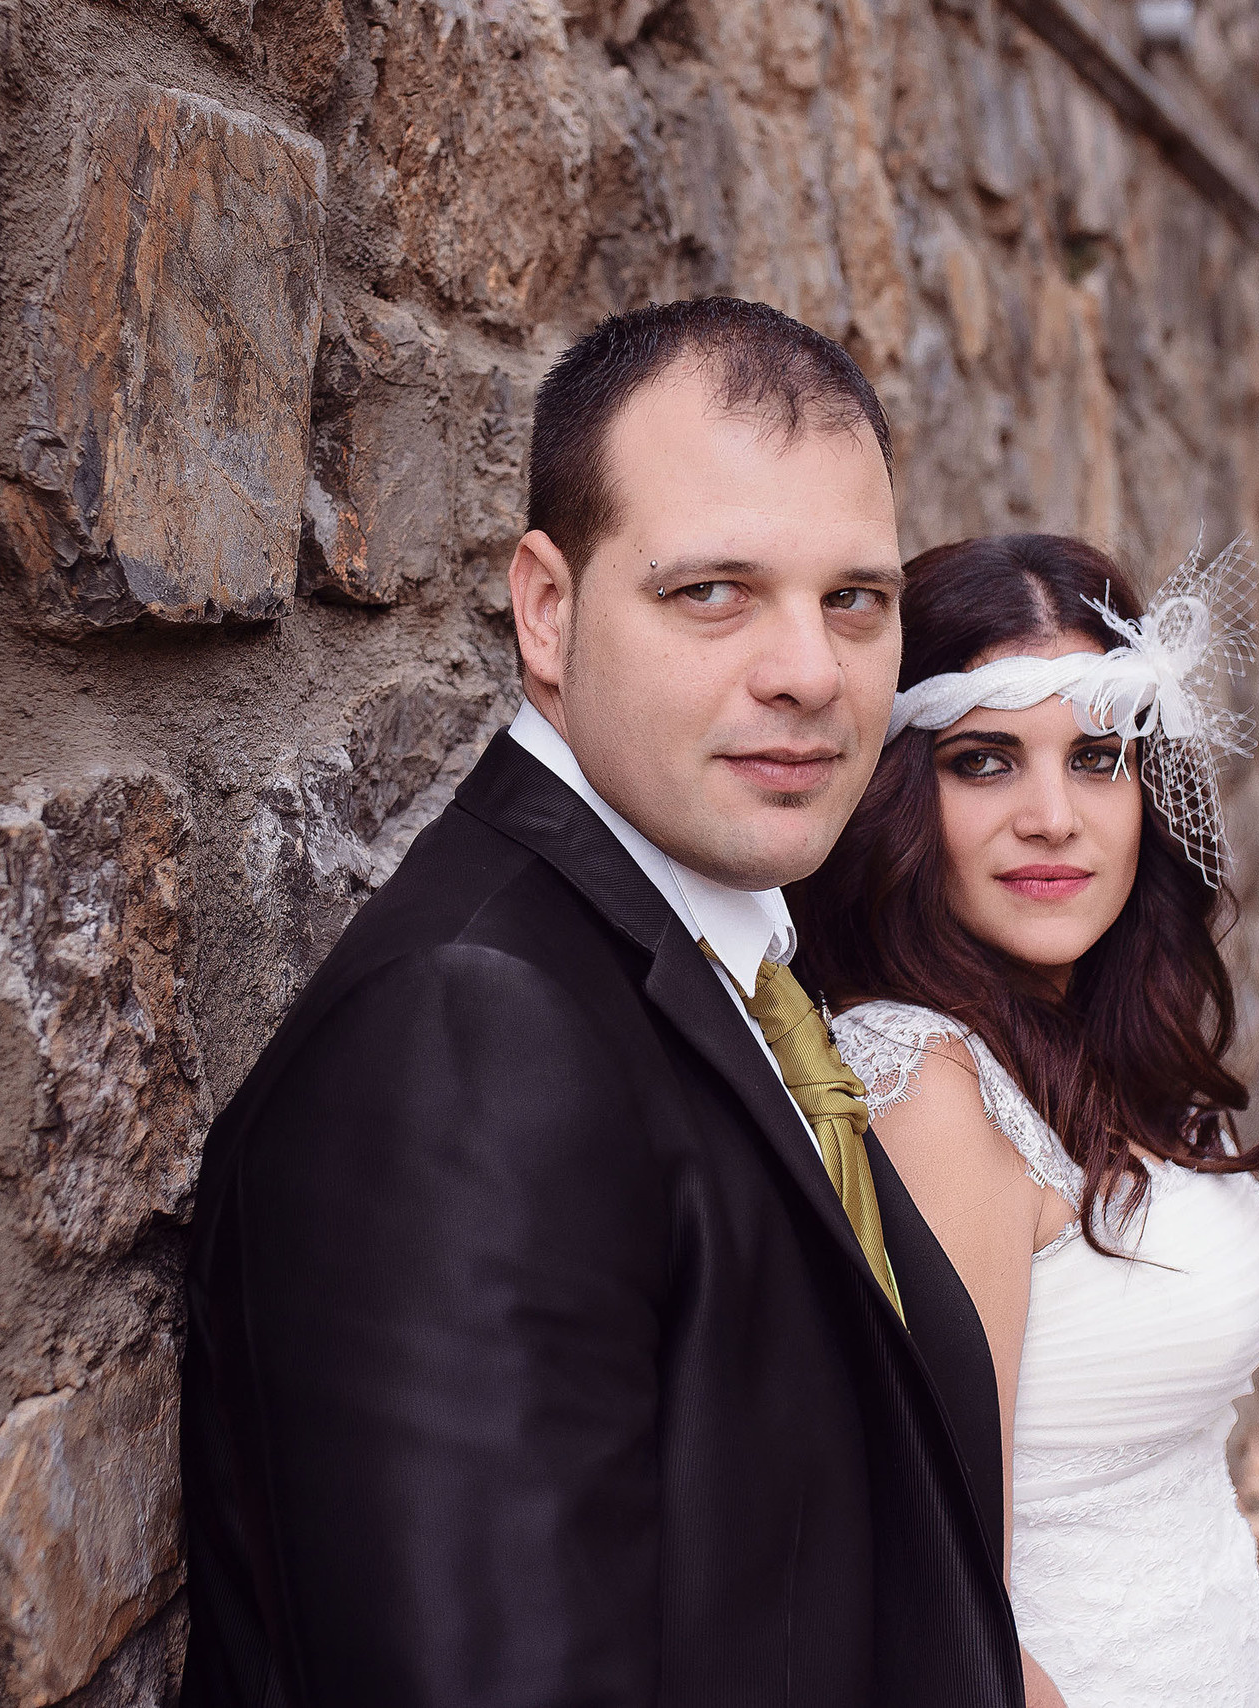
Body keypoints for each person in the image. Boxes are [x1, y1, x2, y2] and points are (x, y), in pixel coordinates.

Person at [179, 299, 1024, 1708]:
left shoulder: (739, 945)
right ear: (548, 610)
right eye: (712, 592)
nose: (809, 672)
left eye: (854, 601)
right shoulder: (469, 1032)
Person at [788, 531, 1259, 1708]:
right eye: (985, 762)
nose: (1053, 817)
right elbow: (940, 1590)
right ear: (904, 795)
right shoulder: (927, 1084)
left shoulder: (1093, 1043)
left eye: (1099, 758)